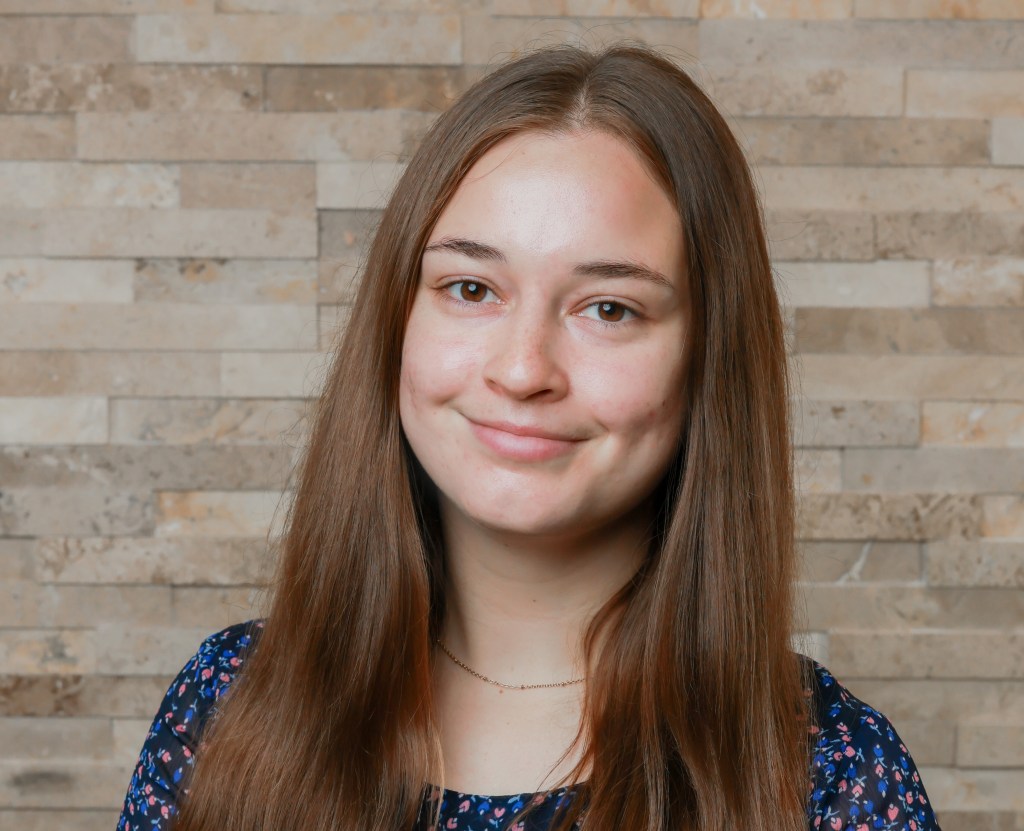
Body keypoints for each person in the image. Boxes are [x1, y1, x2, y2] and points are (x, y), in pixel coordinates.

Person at [116, 42, 941, 831]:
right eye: (472, 288)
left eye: (609, 308)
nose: (521, 370)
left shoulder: (833, 777)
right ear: (397, 319)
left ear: (707, 361)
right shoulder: (225, 704)